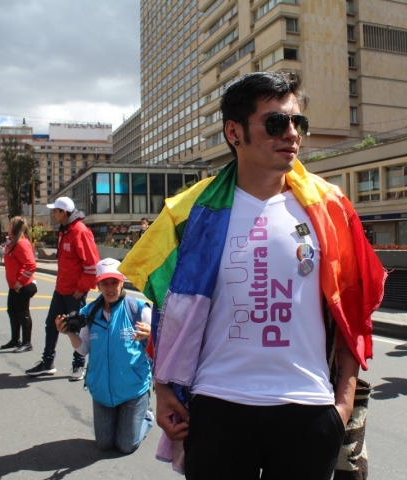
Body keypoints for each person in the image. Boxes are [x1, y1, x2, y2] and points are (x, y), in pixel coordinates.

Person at [121, 71, 386, 479]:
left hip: (308, 409)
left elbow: (351, 307)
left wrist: (344, 401)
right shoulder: (187, 213)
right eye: (276, 123)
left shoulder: (330, 208)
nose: (292, 134)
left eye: (299, 123)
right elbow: (165, 308)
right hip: (217, 406)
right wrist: (162, 387)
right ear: (234, 132)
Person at [55, 258, 154, 453]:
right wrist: (69, 333)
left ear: (122, 281)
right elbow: (83, 349)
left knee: (126, 446)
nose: (110, 289)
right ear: (98, 285)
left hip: (132, 390)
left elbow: (162, 343)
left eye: (114, 282)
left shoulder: (137, 309)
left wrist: (151, 334)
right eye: (104, 283)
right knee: (105, 445)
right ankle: (124, 421)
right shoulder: (89, 312)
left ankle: (146, 416)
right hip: (102, 391)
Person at [25, 197, 99, 381]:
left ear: (63, 213)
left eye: (55, 211)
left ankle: (78, 366)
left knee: (77, 327)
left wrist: (81, 288)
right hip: (62, 289)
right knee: (52, 325)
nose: (52, 214)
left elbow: (92, 265)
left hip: (75, 291)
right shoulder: (64, 230)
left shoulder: (80, 231)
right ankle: (47, 363)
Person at [2, 216, 37, 353]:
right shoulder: (12, 242)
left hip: (23, 286)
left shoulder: (22, 243)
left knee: (23, 313)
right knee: (12, 311)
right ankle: (15, 339)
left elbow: (31, 265)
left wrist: (20, 282)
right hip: (14, 286)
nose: (7, 226)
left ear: (15, 227)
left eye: (10, 224)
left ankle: (27, 342)